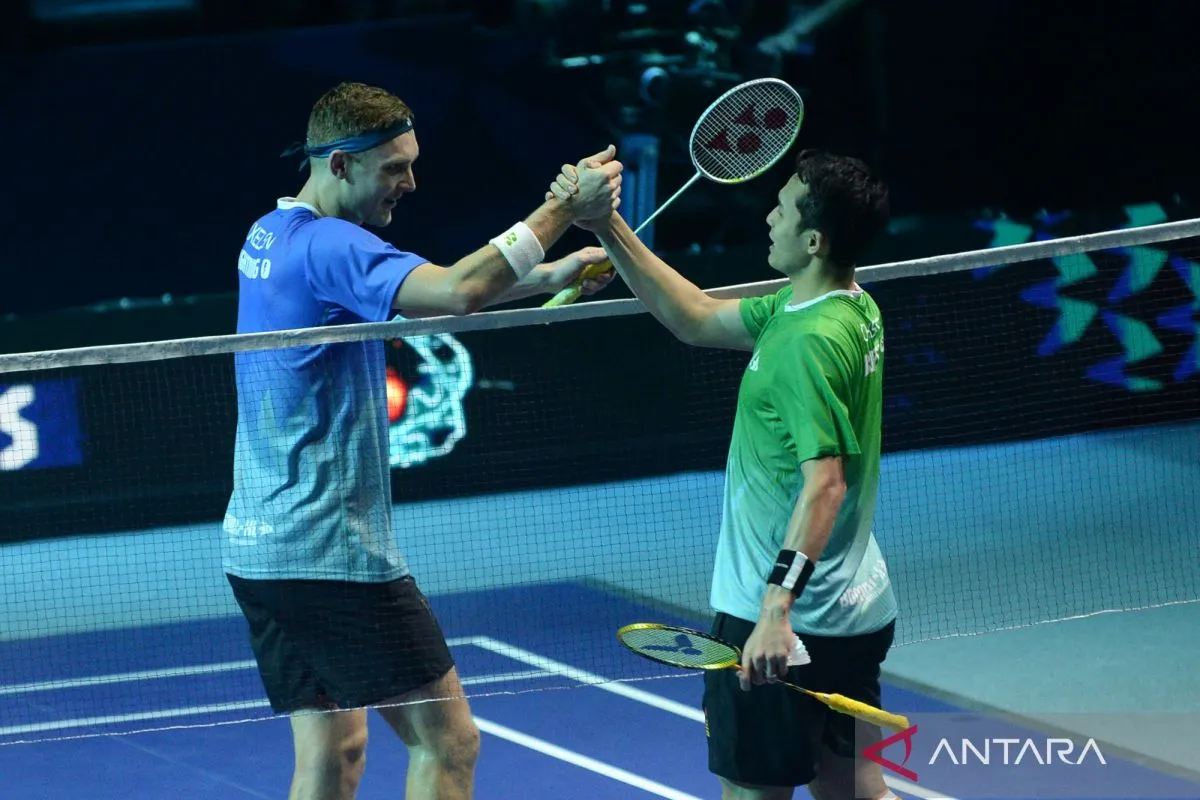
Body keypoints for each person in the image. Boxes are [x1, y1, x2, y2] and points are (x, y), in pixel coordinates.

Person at [222, 81, 622, 800]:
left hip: (259, 548)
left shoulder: (271, 234)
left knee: (333, 752)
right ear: (339, 164)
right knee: (448, 743)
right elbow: (458, 290)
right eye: (394, 168)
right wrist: (564, 208)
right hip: (330, 552)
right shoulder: (334, 244)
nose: (410, 182)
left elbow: (423, 299)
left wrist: (545, 277)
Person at [551, 148, 900, 799]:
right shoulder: (846, 307)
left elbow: (825, 484)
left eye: (784, 209)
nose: (769, 217)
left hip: (785, 620)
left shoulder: (805, 342)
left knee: (751, 791)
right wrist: (609, 228)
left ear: (814, 241)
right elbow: (695, 316)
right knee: (853, 787)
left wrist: (774, 608)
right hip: (857, 607)